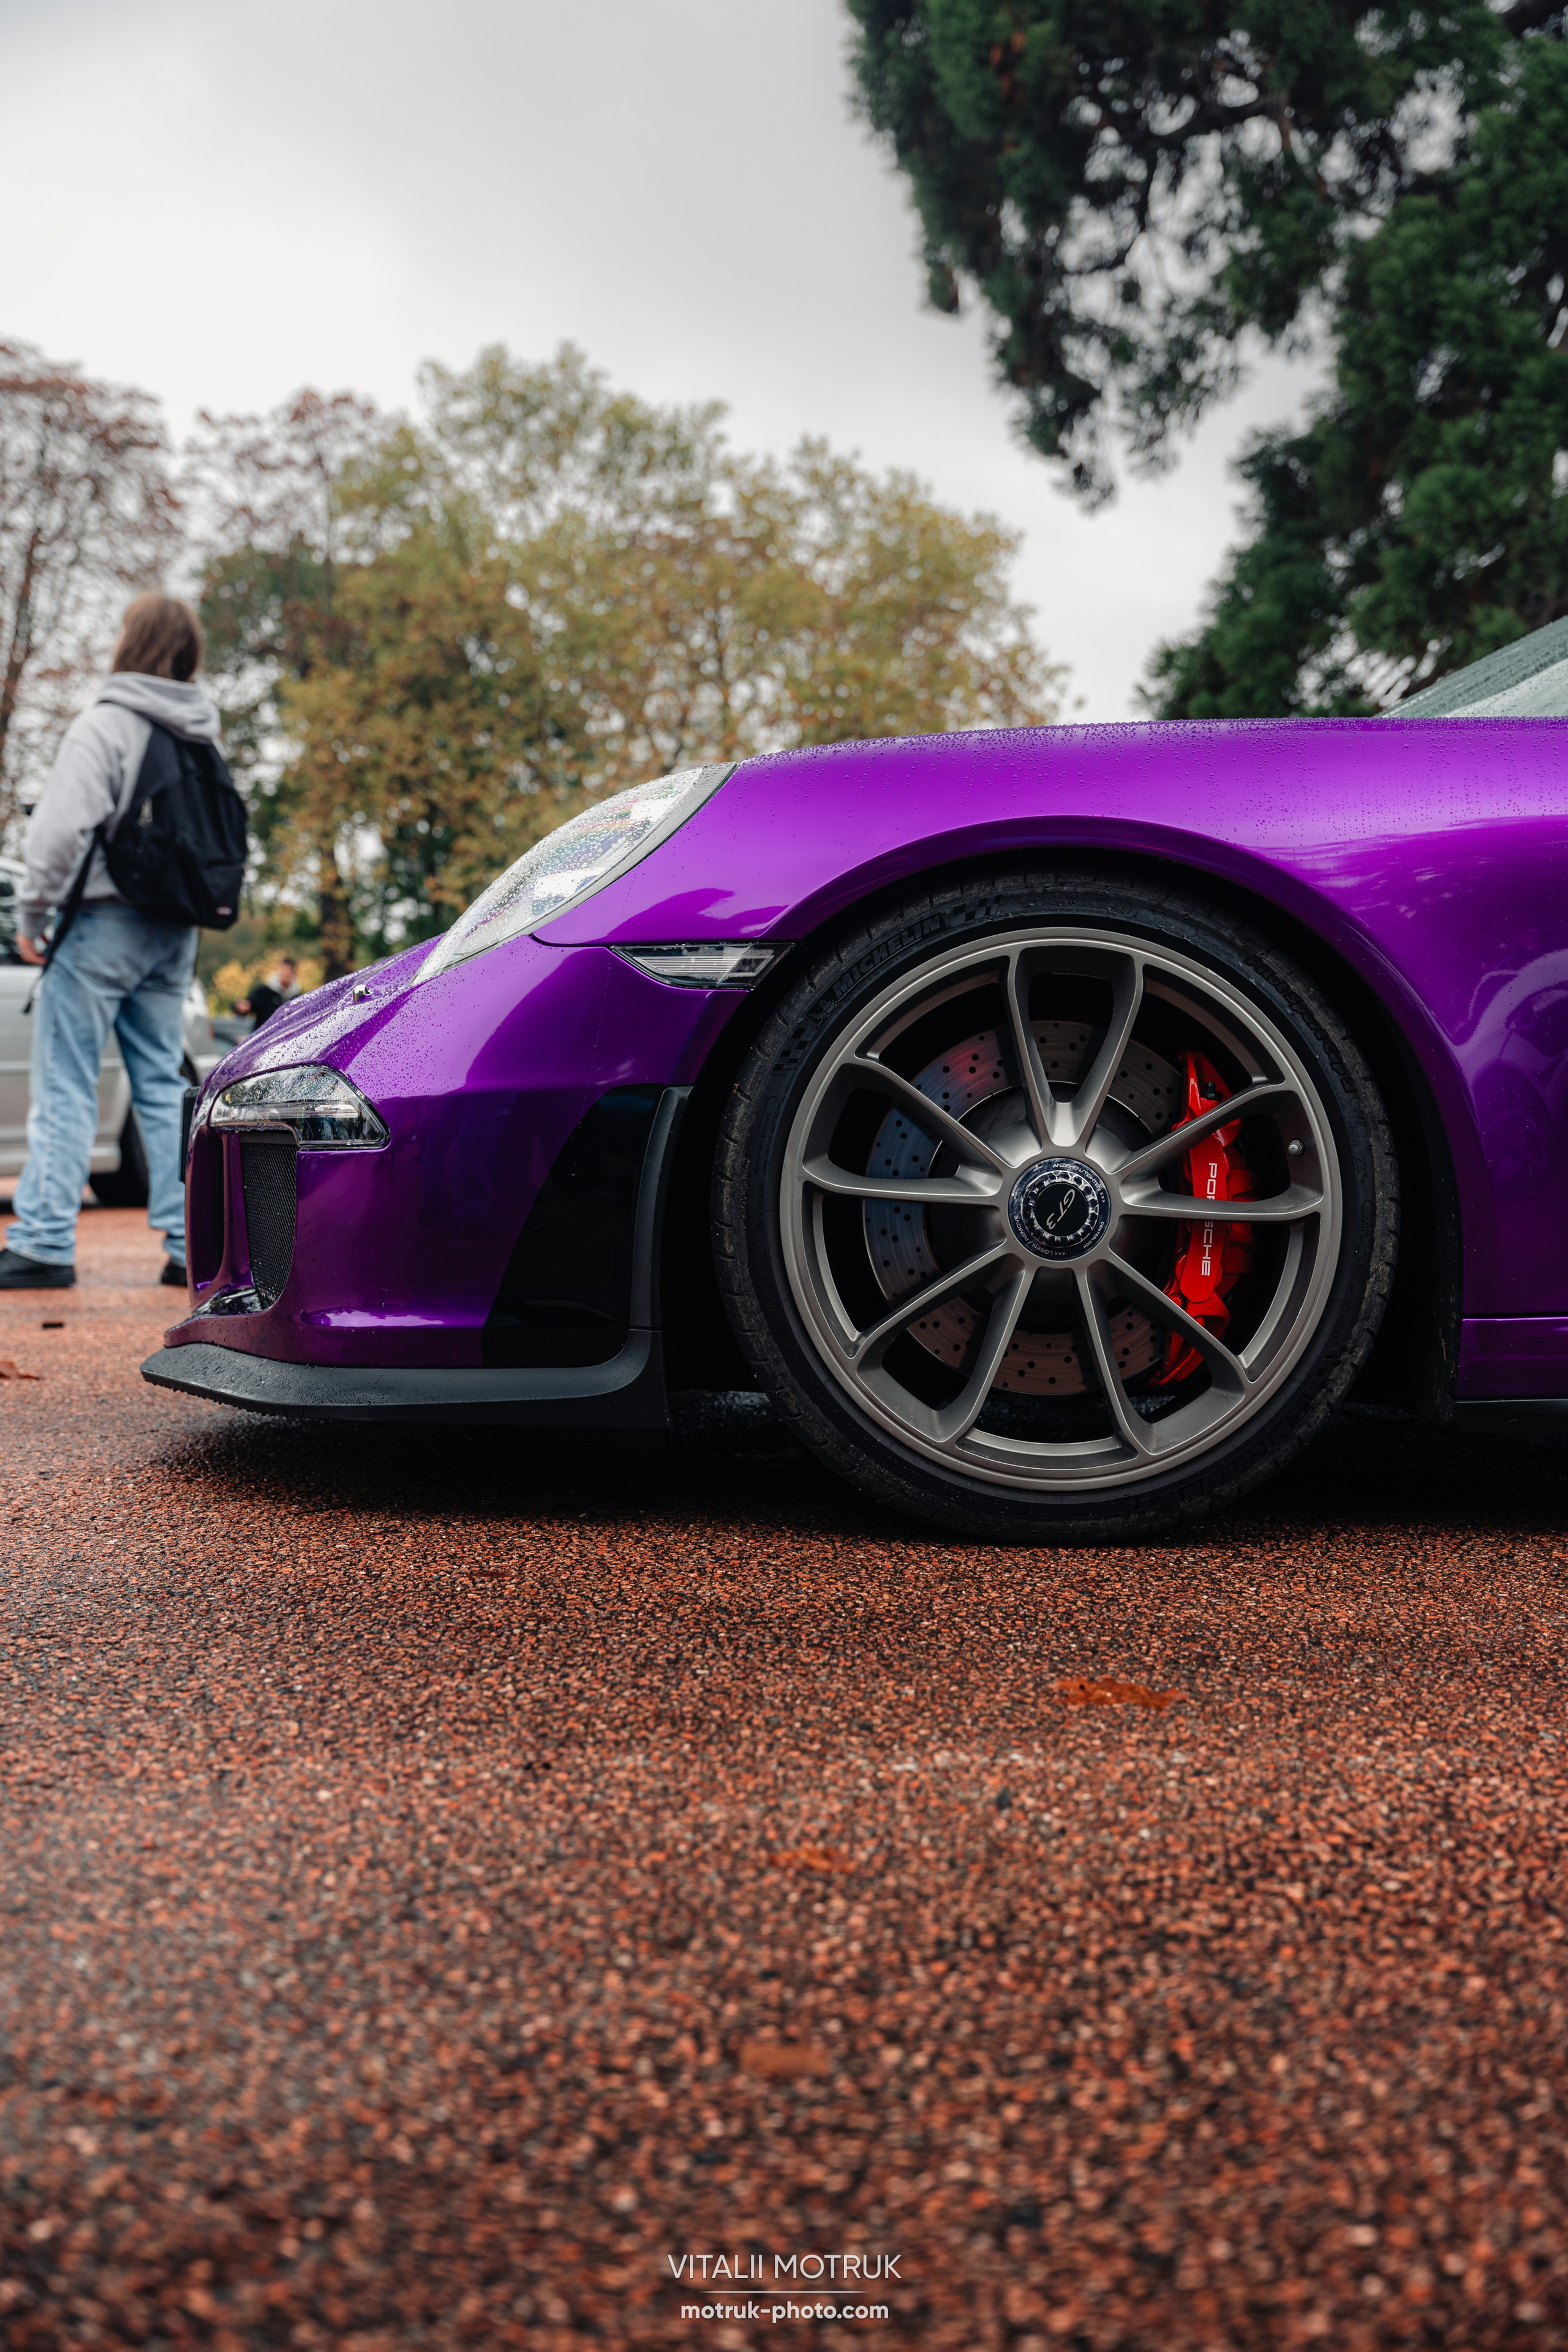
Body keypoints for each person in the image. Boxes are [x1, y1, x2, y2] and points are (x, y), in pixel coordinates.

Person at [0, 595, 221, 1291]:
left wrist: (31, 917)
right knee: (161, 1084)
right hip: (175, 929)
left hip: (103, 921)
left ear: (131, 643)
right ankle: (191, 1243)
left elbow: (60, 831)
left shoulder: (107, 724)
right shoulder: (202, 733)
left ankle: (42, 1242)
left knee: (65, 1080)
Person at [236, 954, 300, 1031]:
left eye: (288, 970)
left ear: (293, 973)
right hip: (263, 1037)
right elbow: (248, 1005)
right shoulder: (264, 992)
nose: (285, 973)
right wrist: (241, 1007)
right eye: (283, 969)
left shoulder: (297, 997)